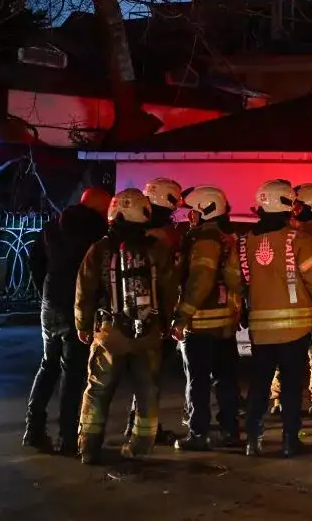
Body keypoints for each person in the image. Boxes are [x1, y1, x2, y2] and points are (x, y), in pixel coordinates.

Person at [75, 189, 181, 464]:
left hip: (110, 332)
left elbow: (85, 291)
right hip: (149, 333)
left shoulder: (100, 249)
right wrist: (166, 323)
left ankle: (88, 447)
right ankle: (140, 446)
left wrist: (83, 325)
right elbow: (170, 289)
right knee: (147, 391)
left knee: (98, 390)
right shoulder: (157, 249)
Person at [239, 179, 312, 458]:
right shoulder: (298, 239)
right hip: (295, 328)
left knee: (259, 384)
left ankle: (253, 440)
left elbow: (234, 279)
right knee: (291, 386)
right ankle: (290, 441)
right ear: (288, 205)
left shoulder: (245, 242)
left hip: (260, 330)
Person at [23, 187, 111, 456]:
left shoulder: (53, 227)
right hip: (77, 309)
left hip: (50, 305)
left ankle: (33, 429)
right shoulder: (98, 235)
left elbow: (35, 262)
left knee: (48, 365)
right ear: (100, 209)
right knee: (73, 374)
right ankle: (68, 437)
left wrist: (45, 293)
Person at [173, 186, 244, 451]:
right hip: (224, 323)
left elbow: (200, 281)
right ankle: (230, 431)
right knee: (226, 381)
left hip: (201, 323)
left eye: (192, 212)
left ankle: (198, 433)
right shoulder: (226, 237)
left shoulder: (204, 240)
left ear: (205, 210)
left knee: (198, 382)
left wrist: (183, 314)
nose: (190, 217)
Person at [126, 177, 186, 443]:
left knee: (142, 376)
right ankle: (146, 432)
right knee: (151, 377)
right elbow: (168, 281)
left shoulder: (135, 230)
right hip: (155, 314)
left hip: (132, 313)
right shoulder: (160, 236)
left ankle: (136, 425)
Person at [270, 182, 312, 416]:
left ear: (311, 205)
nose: (294, 209)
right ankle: (280, 397)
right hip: (297, 299)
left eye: (298, 205)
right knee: (287, 353)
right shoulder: (294, 230)